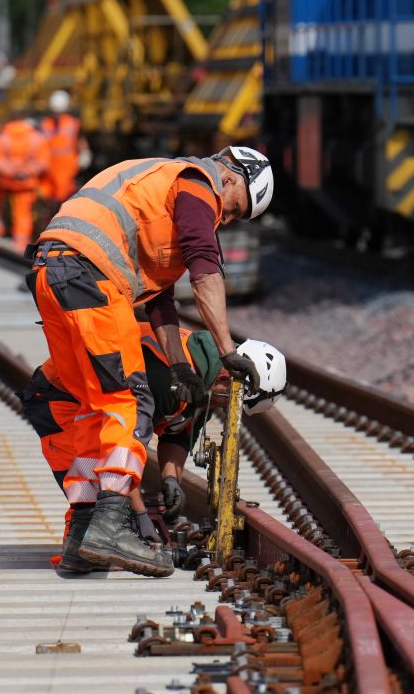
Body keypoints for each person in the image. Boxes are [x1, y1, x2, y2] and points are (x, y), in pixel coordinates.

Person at [26, 145, 277, 577]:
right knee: (129, 401)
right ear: (232, 177)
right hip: (90, 277)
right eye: (235, 210)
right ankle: (109, 525)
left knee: (94, 405)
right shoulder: (199, 185)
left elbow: (159, 297)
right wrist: (226, 349)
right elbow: (204, 265)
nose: (227, 219)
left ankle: (83, 535)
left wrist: (179, 365)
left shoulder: (154, 188)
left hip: (52, 271)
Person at [21, 326, 286, 574]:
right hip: (61, 399)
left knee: (105, 499)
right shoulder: (165, 374)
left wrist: (171, 479)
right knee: (89, 488)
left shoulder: (204, 381)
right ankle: (78, 547)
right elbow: (121, 447)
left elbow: (178, 434)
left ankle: (90, 545)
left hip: (94, 406)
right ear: (227, 378)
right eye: (226, 401)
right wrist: (140, 516)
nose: (223, 407)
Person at [0, 116, 51, 250]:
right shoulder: (37, 138)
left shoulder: (3, 137)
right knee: (23, 213)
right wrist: (25, 172)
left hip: (5, 182)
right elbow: (43, 162)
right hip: (26, 183)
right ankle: (21, 241)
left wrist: (11, 171)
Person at [40, 91, 88, 202]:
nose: (57, 115)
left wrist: (84, 153)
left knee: (64, 196)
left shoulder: (73, 123)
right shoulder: (45, 123)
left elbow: (80, 139)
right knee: (47, 196)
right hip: (49, 167)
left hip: (67, 167)